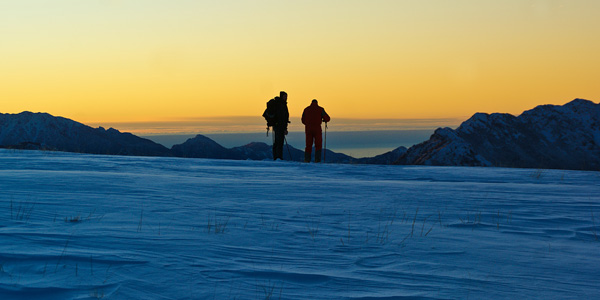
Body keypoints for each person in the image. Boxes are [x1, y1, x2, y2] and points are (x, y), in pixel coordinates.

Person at [263, 91, 289, 160]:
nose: (286, 98)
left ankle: (276, 157)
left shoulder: (279, 104)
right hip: (280, 126)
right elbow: (283, 117)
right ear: (282, 96)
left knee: (276, 142)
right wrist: (284, 128)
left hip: (276, 125)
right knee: (279, 142)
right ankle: (278, 157)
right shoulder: (281, 105)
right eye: (285, 96)